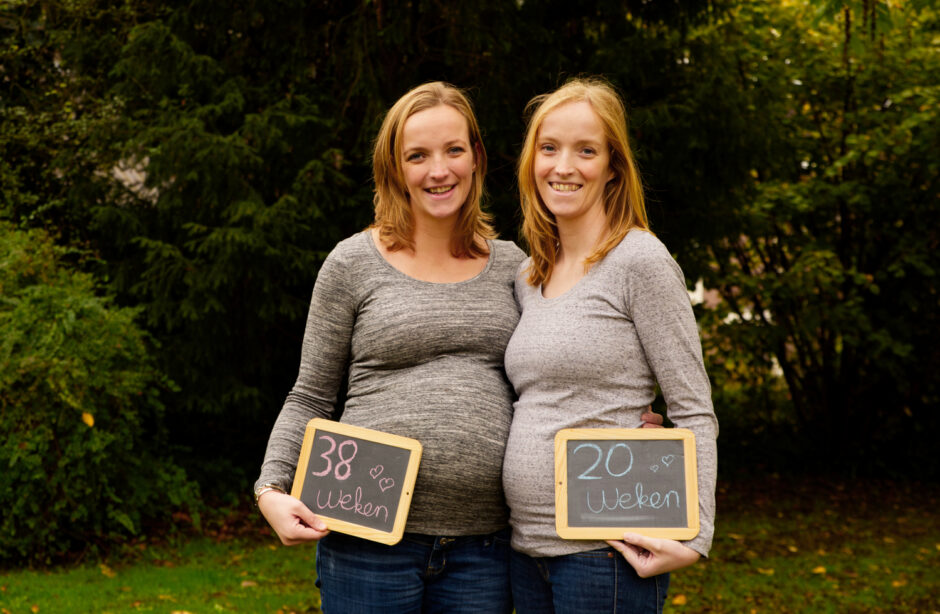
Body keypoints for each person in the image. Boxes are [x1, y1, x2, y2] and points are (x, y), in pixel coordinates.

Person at [253, 81, 525, 613]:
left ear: (477, 158)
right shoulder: (352, 263)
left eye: (453, 150)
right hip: (365, 540)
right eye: (417, 156)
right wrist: (271, 489)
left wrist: (619, 415)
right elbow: (309, 395)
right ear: (394, 169)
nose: (438, 170)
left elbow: (553, 377)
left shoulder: (517, 268)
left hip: (485, 548)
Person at [501, 77, 719, 613]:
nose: (564, 166)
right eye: (549, 148)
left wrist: (695, 537)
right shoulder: (530, 275)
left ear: (613, 167)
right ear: (532, 160)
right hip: (523, 554)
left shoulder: (639, 261)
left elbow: (693, 407)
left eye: (586, 150)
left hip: (605, 556)